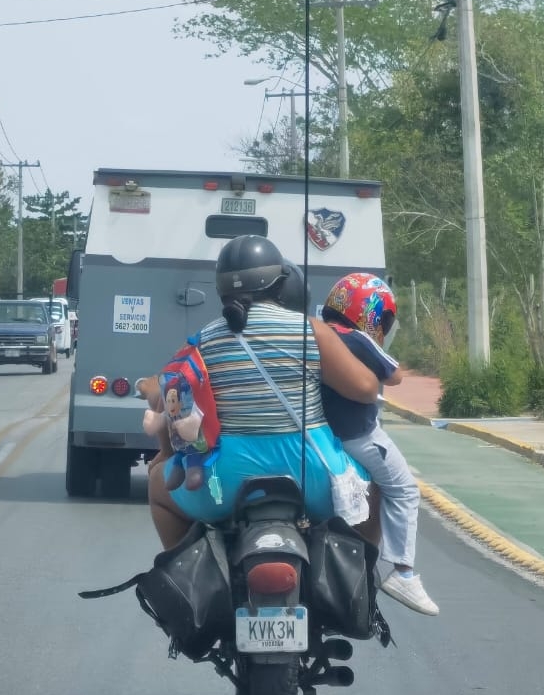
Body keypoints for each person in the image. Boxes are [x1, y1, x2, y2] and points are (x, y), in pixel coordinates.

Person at [144, 234, 382, 551]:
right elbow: (366, 390)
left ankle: (184, 572)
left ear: (221, 289)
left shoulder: (201, 340)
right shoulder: (309, 330)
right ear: (281, 284)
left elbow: (166, 397)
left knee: (159, 491)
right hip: (313, 473)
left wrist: (165, 452)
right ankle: (363, 581)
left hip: (222, 482)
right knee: (377, 488)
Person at [318, 273, 440, 617]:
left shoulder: (316, 336)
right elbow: (395, 376)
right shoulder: (357, 339)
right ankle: (403, 572)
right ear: (369, 314)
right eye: (383, 319)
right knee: (403, 489)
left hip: (320, 439)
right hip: (360, 437)